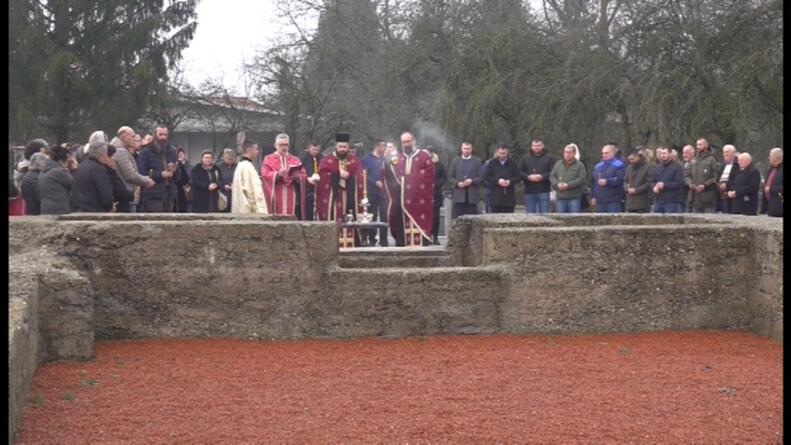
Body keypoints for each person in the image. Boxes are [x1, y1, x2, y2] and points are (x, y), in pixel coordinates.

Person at [382, 132, 435, 246]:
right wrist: (386, 162)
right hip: (402, 202)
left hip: (419, 201)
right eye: (404, 142)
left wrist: (407, 180)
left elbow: (429, 175)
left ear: (414, 141)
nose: (406, 144)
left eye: (408, 141)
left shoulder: (424, 157)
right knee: (402, 230)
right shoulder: (398, 158)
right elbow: (390, 176)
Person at [316, 132, 365, 247]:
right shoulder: (327, 160)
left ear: (348, 147)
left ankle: (351, 245)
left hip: (349, 197)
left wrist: (351, 177)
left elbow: (360, 176)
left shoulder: (354, 160)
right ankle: (331, 245)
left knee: (349, 218)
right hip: (333, 199)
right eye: (340, 147)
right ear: (336, 147)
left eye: (345, 147)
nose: (342, 149)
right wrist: (337, 174)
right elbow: (321, 176)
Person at [110, 126, 155, 212]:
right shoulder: (120, 151)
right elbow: (130, 175)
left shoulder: (120, 149)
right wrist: (146, 181)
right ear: (124, 137)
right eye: (132, 136)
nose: (134, 139)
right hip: (123, 195)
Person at [261, 133, 306, 217]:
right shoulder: (268, 159)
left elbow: (303, 175)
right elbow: (265, 175)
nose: (284, 147)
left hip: (292, 197)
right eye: (281, 145)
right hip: (276, 195)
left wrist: (297, 177)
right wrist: (278, 174)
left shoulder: (295, 159)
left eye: (286, 145)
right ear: (275, 145)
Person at [138, 126, 180, 212]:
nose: (163, 137)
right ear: (155, 135)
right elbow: (142, 173)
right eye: (160, 134)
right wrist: (161, 174)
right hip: (153, 195)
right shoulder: (146, 152)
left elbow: (178, 176)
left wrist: (174, 171)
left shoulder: (171, 151)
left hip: (170, 194)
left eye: (165, 135)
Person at [71, 135, 115, 212]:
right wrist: (110, 207)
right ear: (103, 155)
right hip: (95, 211)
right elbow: (106, 196)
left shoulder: (81, 167)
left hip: (78, 210)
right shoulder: (99, 170)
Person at [361, 140, 388, 246]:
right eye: (383, 146)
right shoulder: (366, 159)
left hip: (384, 193)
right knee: (372, 215)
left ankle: (384, 239)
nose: (385, 148)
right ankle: (372, 238)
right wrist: (374, 181)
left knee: (384, 216)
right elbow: (364, 175)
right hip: (371, 192)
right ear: (377, 146)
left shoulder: (385, 159)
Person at [685, 138, 722, 213]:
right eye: (697, 145)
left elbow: (716, 176)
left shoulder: (712, 159)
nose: (698, 147)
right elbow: (687, 175)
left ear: (706, 145)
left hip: (708, 198)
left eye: (700, 144)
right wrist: (690, 183)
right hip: (695, 198)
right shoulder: (694, 159)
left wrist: (705, 185)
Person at [519, 138, 556, 214]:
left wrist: (542, 176)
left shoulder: (550, 157)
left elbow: (553, 172)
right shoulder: (525, 158)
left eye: (538, 145)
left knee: (545, 215)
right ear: (531, 146)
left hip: (544, 190)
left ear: (542, 146)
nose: (536, 147)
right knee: (530, 216)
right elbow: (519, 172)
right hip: (529, 191)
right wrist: (528, 177)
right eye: (534, 145)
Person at [39, 143, 77, 215]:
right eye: (68, 162)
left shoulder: (43, 171)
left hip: (45, 209)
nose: (68, 165)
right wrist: (74, 170)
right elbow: (75, 184)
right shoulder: (59, 172)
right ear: (61, 162)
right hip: (60, 210)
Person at [231, 139, 267, 214]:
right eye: (256, 149)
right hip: (249, 211)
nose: (257, 152)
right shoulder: (247, 167)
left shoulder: (240, 166)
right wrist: (260, 210)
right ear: (249, 150)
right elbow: (251, 191)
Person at [448, 141, 483, 218]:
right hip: (459, 196)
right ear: (461, 149)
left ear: (471, 149)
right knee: (458, 219)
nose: (466, 151)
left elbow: (481, 177)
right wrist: (458, 183)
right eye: (465, 149)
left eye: (468, 149)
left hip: (472, 196)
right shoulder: (455, 161)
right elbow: (450, 177)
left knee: (473, 220)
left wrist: (472, 181)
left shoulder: (477, 161)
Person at [550, 144, 588, 213]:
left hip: (574, 198)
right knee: (561, 219)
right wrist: (557, 184)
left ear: (574, 153)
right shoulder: (558, 164)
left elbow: (581, 179)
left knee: (574, 219)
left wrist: (568, 185)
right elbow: (552, 176)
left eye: (569, 152)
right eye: (565, 152)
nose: (567, 154)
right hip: (560, 198)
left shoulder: (580, 165)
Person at [484, 144, 520, 213]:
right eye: (500, 153)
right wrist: (498, 181)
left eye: (504, 153)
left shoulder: (513, 163)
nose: (502, 155)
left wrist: (510, 181)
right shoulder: (492, 163)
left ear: (507, 153)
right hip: (495, 198)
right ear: (497, 153)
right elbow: (487, 177)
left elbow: (518, 177)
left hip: (509, 198)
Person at [591, 144, 626, 213]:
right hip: (600, 201)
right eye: (603, 153)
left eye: (606, 153)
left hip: (613, 200)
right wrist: (593, 196)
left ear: (613, 153)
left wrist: (607, 182)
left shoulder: (619, 165)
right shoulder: (598, 166)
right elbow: (593, 183)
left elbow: (620, 179)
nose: (604, 155)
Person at [651, 146, 685, 213]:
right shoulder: (658, 168)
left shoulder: (677, 167)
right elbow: (652, 181)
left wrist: (664, 185)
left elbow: (679, 183)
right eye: (661, 154)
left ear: (670, 154)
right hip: (659, 201)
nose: (663, 155)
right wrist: (654, 187)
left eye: (665, 153)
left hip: (672, 202)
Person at [623, 148, 655, 213]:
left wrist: (636, 190)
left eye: (632, 159)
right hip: (630, 203)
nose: (630, 161)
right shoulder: (629, 167)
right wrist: (626, 188)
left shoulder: (649, 167)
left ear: (638, 157)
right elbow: (625, 180)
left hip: (642, 203)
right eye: (629, 160)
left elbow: (648, 183)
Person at [301, 142, 323, 221]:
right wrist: (307, 178)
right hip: (308, 188)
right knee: (309, 211)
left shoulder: (322, 159)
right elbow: (301, 171)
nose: (315, 152)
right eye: (313, 149)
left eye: (316, 150)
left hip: (320, 188)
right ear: (309, 148)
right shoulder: (303, 159)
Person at [429, 147, 447, 244]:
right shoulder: (423, 164)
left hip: (436, 194)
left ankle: (435, 236)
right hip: (425, 194)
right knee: (426, 217)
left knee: (436, 217)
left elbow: (444, 177)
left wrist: (437, 185)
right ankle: (427, 236)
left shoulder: (439, 165)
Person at [717, 144, 740, 213]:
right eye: (724, 152)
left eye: (727, 152)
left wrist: (726, 185)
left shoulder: (738, 165)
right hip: (721, 197)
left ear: (733, 153)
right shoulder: (723, 165)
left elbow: (737, 179)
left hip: (732, 197)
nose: (725, 154)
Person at [215, 148, 237, 213]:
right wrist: (223, 186)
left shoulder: (237, 166)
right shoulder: (218, 167)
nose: (230, 160)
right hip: (222, 195)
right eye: (228, 159)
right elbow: (216, 179)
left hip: (235, 194)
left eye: (231, 158)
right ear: (224, 157)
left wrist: (234, 185)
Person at [762, 148, 783, 217]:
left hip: (779, 209)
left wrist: (771, 189)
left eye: (770, 156)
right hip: (769, 207)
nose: (769, 158)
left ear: (775, 157)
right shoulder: (771, 169)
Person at [175, 147, 192, 212]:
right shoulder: (175, 166)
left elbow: (191, 178)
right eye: (178, 155)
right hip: (177, 191)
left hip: (187, 191)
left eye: (181, 154)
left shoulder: (190, 167)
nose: (180, 156)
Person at [681, 145, 696, 212]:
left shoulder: (697, 164)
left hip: (693, 196)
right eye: (683, 153)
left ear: (693, 153)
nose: (684, 155)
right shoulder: (681, 164)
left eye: (687, 153)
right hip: (681, 196)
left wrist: (690, 183)